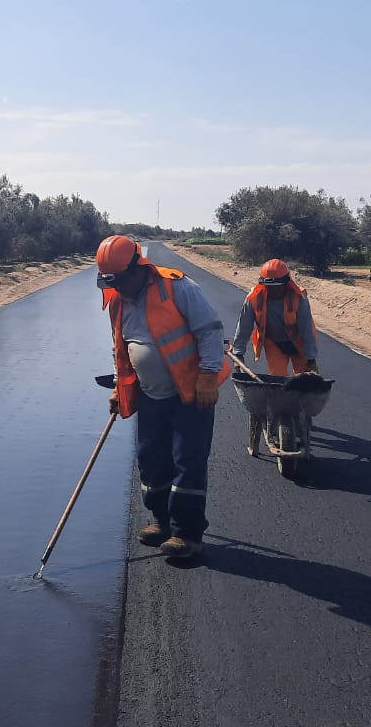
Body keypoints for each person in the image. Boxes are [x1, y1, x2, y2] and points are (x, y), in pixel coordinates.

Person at [96, 235, 230, 560]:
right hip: (151, 396)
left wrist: (209, 376)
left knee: (187, 460)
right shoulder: (118, 301)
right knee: (151, 459)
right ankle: (162, 521)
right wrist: (119, 388)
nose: (118, 287)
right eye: (109, 282)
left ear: (138, 268)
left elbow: (209, 331)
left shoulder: (178, 287)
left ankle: (187, 533)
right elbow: (123, 351)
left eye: (121, 280)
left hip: (190, 392)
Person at [229, 259, 318, 377]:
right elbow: (244, 326)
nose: (273, 290)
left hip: (299, 342)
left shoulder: (298, 298)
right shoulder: (254, 298)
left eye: (277, 286)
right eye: (269, 286)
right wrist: (238, 353)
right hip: (274, 342)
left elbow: (306, 329)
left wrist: (311, 359)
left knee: (306, 381)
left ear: (286, 283)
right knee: (277, 378)